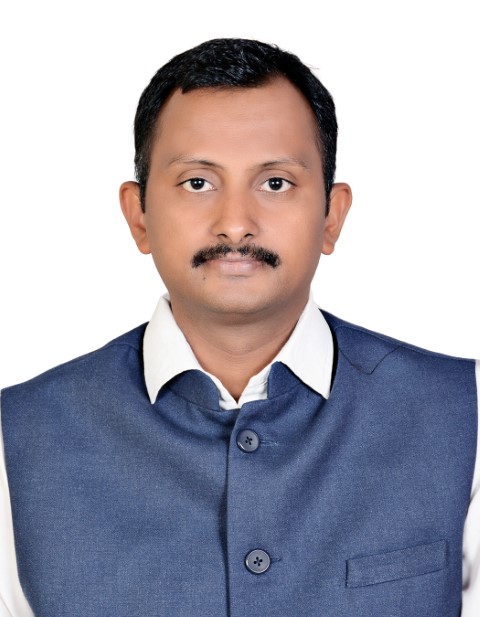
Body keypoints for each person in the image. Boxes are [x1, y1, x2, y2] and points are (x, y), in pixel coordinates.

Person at [0, 38, 478, 617]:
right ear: (138, 215)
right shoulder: (16, 439)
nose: (234, 224)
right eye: (197, 182)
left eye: (275, 183)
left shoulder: (464, 413)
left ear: (331, 215)